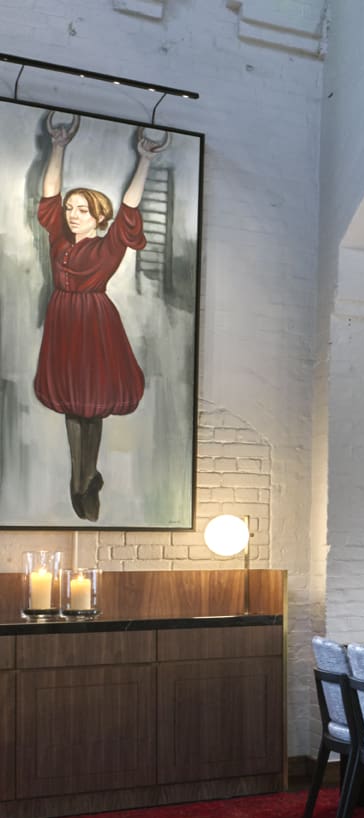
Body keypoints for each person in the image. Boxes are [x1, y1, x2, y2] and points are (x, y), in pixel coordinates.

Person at [35, 112, 160, 521]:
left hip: (93, 321)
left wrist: (145, 159)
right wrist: (58, 146)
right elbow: (49, 199)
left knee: (92, 404)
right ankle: (81, 480)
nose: (73, 214)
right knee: (74, 403)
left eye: (83, 210)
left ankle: (84, 481)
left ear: (98, 217)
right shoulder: (59, 240)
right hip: (63, 319)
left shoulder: (108, 247)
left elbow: (129, 209)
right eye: (72, 209)